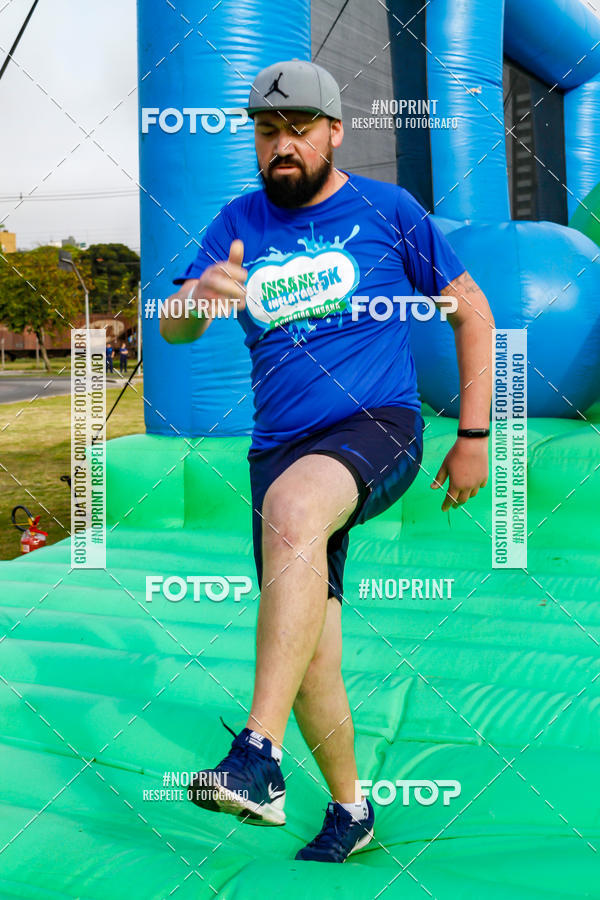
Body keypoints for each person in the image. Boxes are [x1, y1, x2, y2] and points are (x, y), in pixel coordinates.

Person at [161, 60, 494, 862]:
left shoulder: (388, 209)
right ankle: (352, 809)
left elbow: (472, 311)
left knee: (298, 511)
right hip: (279, 449)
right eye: (267, 130)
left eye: (300, 128)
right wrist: (195, 300)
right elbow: (175, 328)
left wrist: (475, 436)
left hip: (377, 425)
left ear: (335, 133)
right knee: (310, 651)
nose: (283, 144)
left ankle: (257, 757)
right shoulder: (237, 221)